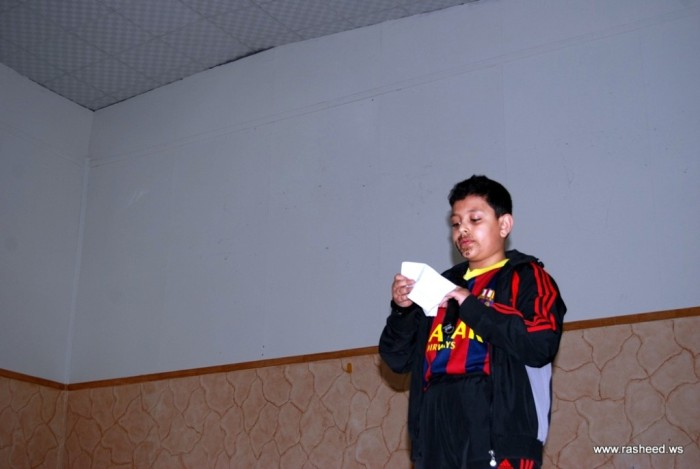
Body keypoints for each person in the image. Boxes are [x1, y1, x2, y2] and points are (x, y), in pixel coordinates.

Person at [379, 175, 566, 469]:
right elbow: (397, 359)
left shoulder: (528, 277)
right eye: (456, 223)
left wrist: (471, 305)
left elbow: (540, 343)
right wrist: (402, 311)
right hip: (437, 434)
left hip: (499, 435)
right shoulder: (439, 285)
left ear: (504, 225)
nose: (463, 230)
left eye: (475, 219)